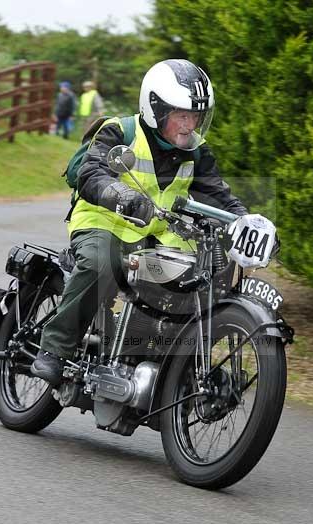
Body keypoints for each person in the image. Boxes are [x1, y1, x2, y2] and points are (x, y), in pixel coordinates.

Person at [31, 59, 248, 384]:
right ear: (156, 110)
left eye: (196, 116)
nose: (190, 125)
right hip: (104, 223)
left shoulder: (198, 153)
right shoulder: (121, 131)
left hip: (158, 239)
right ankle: (54, 349)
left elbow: (218, 196)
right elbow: (91, 172)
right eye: (182, 115)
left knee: (201, 281)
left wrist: (247, 223)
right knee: (100, 262)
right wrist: (120, 194)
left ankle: (170, 372)